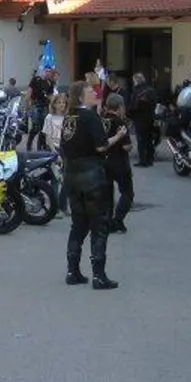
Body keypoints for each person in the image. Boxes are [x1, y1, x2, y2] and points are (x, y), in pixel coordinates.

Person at [59, 81, 120, 289]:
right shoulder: (90, 116)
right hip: (92, 175)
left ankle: (72, 270)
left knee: (78, 224)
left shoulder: (69, 117)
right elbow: (102, 146)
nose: (94, 92)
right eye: (90, 91)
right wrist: (118, 137)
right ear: (80, 96)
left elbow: (64, 146)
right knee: (99, 225)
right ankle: (99, 275)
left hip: (71, 175)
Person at [102, 92, 135, 233]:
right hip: (119, 162)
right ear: (120, 107)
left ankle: (107, 221)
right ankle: (118, 220)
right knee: (127, 193)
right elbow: (126, 146)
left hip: (104, 161)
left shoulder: (101, 120)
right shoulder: (120, 123)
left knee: (108, 193)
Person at [44, 92, 71, 215]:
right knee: (55, 178)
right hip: (54, 148)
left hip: (66, 148)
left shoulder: (68, 118)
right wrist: (54, 152)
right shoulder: (49, 117)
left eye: (63, 103)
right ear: (53, 104)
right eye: (59, 102)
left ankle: (63, 205)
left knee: (67, 179)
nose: (61, 105)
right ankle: (54, 208)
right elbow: (48, 137)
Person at [129, 72, 159, 167]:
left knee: (141, 140)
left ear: (136, 81)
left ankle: (143, 160)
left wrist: (129, 115)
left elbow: (133, 106)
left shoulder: (136, 91)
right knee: (149, 139)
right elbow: (155, 102)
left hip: (139, 118)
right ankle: (150, 159)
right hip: (150, 117)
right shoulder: (151, 89)